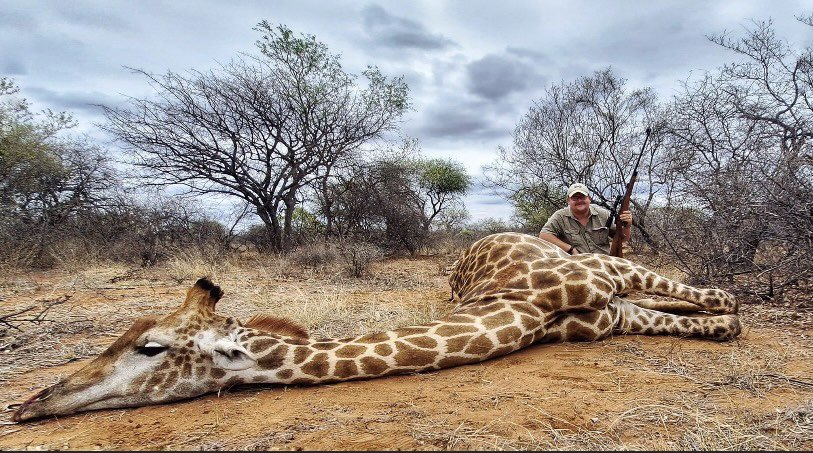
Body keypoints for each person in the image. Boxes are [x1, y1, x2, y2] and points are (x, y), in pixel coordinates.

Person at [538, 182, 632, 255]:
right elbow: (544, 235)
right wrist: (570, 249)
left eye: (582, 197)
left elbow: (623, 239)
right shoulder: (560, 216)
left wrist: (627, 226)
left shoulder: (603, 214)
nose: (579, 200)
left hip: (603, 262)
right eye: (575, 198)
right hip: (577, 264)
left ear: (589, 198)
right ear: (568, 200)